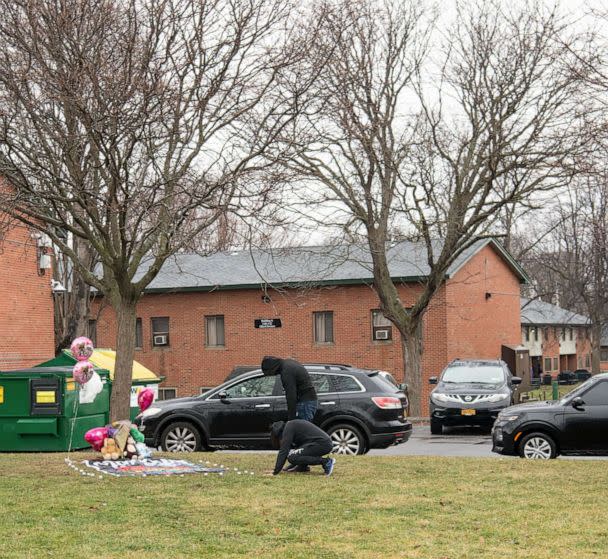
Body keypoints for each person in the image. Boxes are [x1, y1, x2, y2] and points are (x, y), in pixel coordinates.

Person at [261, 356, 318, 421]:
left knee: (302, 428)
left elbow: (291, 395)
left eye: (269, 373)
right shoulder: (289, 363)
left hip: (305, 403)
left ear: (272, 368)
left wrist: (291, 418)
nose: (273, 374)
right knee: (303, 428)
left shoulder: (286, 371)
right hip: (308, 400)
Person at [270, 420, 335, 476]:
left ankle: (326, 462)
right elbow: (300, 450)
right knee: (294, 455)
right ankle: (302, 467)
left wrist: (275, 472)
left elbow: (284, 451)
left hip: (322, 444)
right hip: (323, 443)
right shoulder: (292, 425)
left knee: (292, 457)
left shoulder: (288, 428)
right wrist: (290, 467)